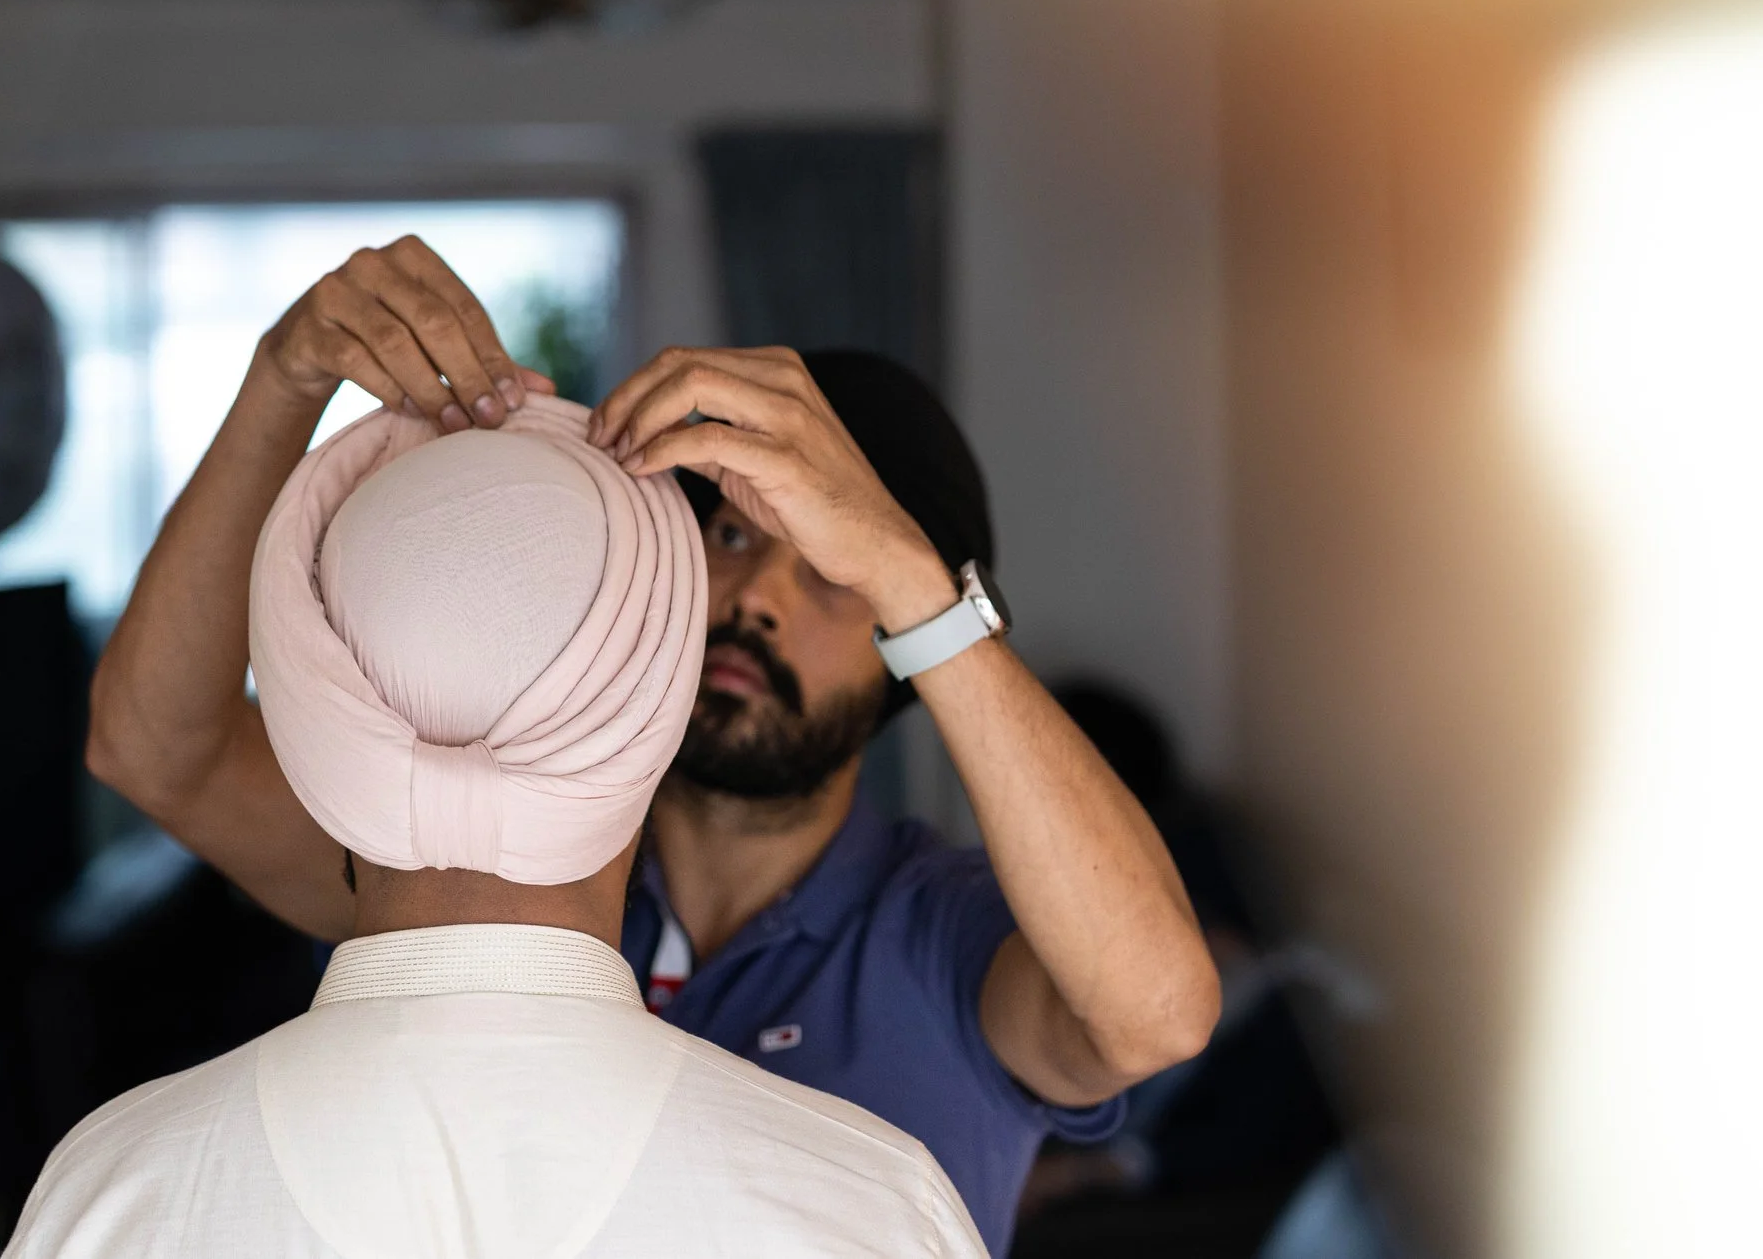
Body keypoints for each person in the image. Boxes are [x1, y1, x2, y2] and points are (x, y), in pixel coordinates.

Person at [84, 236, 1221, 1254]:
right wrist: (281, 383)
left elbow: (1157, 1013)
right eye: (729, 531)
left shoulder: (940, 939)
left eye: (831, 570)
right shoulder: (482, 875)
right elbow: (155, 752)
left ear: (901, 638)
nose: (760, 596)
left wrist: (911, 577)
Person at [9, 402, 984, 1257]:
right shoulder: (872, 1202)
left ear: (316, 754)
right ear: (657, 730)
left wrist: (285, 375)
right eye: (732, 535)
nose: (763, 599)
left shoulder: (111, 1189)